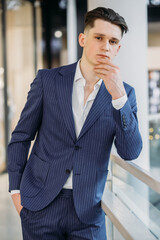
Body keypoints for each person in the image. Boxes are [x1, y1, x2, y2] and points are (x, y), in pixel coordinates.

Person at [7, 7, 142, 240]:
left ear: (118, 48)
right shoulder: (48, 81)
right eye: (98, 38)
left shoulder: (125, 94)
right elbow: (21, 136)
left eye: (112, 41)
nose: (105, 46)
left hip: (88, 211)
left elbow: (130, 152)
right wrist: (16, 192)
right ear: (83, 39)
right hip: (40, 205)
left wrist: (119, 97)